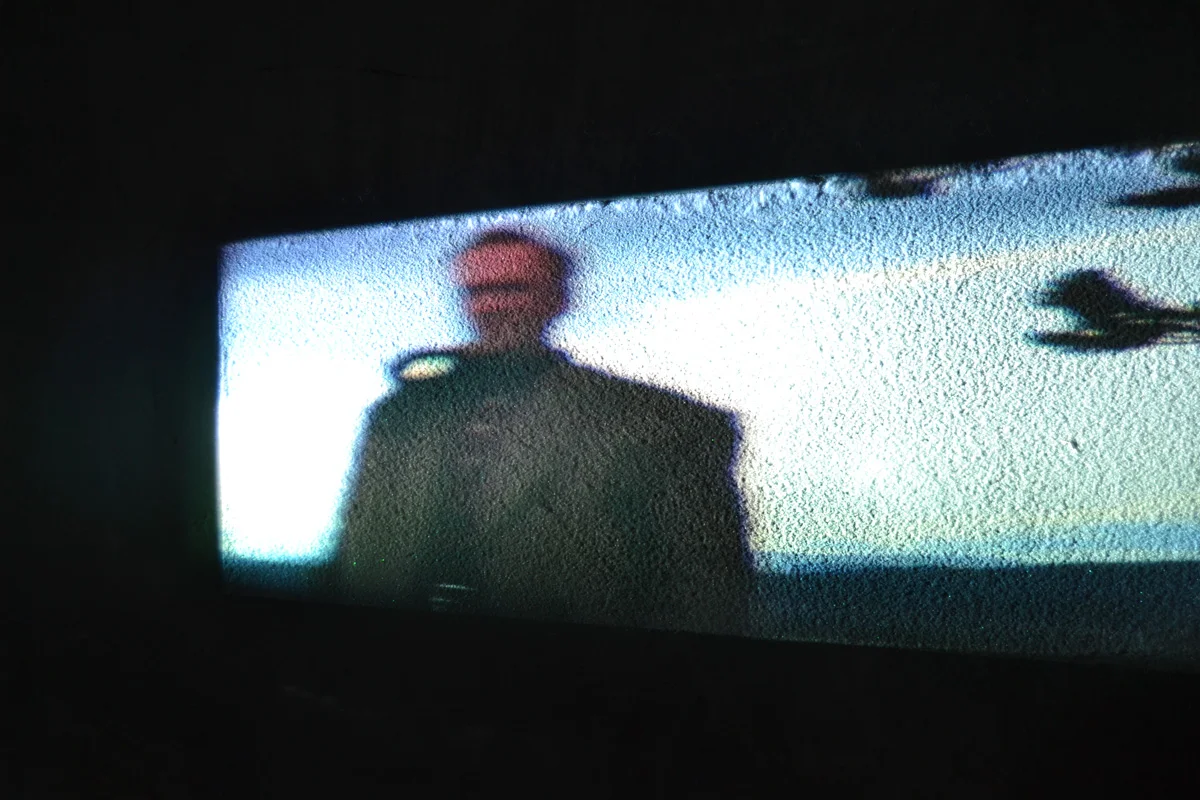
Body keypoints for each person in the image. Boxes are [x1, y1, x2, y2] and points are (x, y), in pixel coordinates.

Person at [331, 227, 751, 636]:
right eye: (477, 291)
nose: (492, 305)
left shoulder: (660, 423)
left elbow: (709, 597)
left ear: (559, 299)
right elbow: (355, 558)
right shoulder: (398, 417)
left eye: (513, 288)